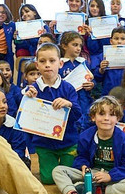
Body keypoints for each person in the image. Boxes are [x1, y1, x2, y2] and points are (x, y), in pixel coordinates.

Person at [53, 96, 125, 194]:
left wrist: (110, 176)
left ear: (118, 119)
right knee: (58, 171)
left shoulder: (124, 140)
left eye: (111, 115)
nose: (106, 118)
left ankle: (99, 190)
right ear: (93, 117)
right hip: (94, 173)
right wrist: (83, 166)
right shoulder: (85, 136)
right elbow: (82, 156)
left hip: (116, 175)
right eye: (101, 114)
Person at [25, 43, 82, 184]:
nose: (47, 65)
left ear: (60, 63)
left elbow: (78, 114)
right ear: (37, 65)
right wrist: (27, 100)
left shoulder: (68, 88)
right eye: (42, 61)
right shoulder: (31, 90)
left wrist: (68, 104)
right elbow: (26, 119)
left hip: (68, 142)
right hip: (44, 144)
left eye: (52, 61)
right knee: (49, 179)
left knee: (69, 178)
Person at [92, 27, 125, 96]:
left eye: (122, 39)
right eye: (116, 38)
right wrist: (101, 70)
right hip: (108, 92)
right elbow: (96, 77)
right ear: (111, 41)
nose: (119, 41)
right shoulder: (103, 56)